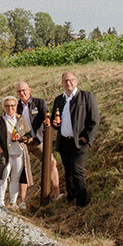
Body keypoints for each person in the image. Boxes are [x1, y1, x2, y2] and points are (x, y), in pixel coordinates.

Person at [49, 71, 98, 207]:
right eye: (65, 81)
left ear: (76, 81)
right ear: (62, 83)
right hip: (64, 140)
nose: (68, 83)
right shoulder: (59, 99)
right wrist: (55, 123)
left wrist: (87, 138)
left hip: (80, 141)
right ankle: (71, 197)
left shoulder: (86, 96)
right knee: (68, 170)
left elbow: (94, 120)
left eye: (70, 80)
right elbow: (54, 119)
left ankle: (82, 201)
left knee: (77, 169)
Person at [16, 79, 56, 205]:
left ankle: (56, 193)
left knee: (51, 163)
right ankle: (22, 201)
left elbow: (47, 118)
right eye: (19, 91)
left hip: (38, 141)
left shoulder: (39, 103)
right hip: (23, 143)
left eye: (24, 90)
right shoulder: (16, 107)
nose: (22, 93)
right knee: (22, 169)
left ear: (29, 90)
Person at [0, 94, 31, 209]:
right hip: (6, 153)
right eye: (7, 106)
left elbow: (29, 135)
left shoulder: (21, 119)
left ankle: (13, 202)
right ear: (4, 107)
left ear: (16, 106)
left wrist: (22, 138)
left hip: (19, 153)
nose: (10, 108)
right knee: (3, 175)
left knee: (15, 177)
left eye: (13, 105)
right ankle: (0, 200)